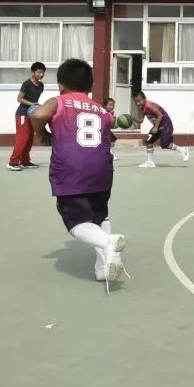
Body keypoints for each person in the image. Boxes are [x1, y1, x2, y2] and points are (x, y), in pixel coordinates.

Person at [31, 59, 126, 290]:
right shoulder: (101, 109)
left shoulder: (59, 101)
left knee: (75, 221)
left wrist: (42, 132)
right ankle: (103, 267)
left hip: (71, 171)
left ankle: (108, 243)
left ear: (61, 85)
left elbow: (37, 115)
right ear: (90, 87)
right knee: (99, 215)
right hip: (102, 171)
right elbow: (112, 124)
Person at [131, 92, 190, 167]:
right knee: (149, 142)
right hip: (158, 125)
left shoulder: (149, 105)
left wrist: (156, 127)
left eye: (140, 101)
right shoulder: (142, 107)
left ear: (145, 98)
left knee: (165, 144)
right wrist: (132, 118)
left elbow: (160, 115)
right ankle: (150, 162)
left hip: (165, 124)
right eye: (136, 102)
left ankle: (183, 150)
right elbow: (141, 120)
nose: (138, 103)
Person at [9, 61, 46, 171]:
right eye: (39, 72)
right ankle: (13, 162)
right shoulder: (27, 84)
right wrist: (32, 104)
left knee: (29, 138)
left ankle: (25, 161)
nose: (41, 75)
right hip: (22, 114)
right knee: (22, 138)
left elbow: (35, 101)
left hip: (31, 114)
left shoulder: (41, 85)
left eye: (43, 73)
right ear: (33, 72)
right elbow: (19, 99)